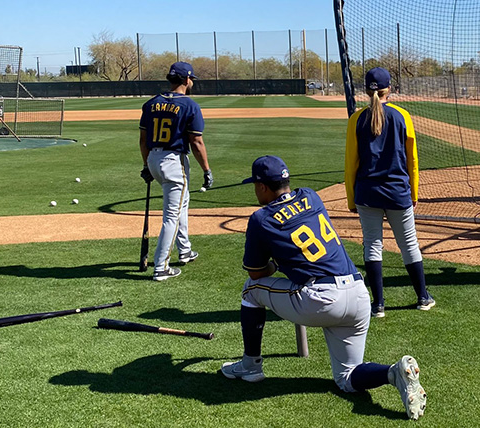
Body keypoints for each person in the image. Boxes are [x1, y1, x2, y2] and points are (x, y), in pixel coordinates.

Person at [221, 155, 427, 420]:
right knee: (347, 378)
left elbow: (256, 271)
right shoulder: (311, 195)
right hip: (358, 295)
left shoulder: (261, 219)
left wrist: (275, 264)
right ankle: (393, 372)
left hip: (321, 299)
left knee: (251, 289)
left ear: (262, 187)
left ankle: (250, 366)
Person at [344, 67, 434, 318]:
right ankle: (423, 297)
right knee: (409, 245)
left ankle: (379, 305)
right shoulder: (402, 115)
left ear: (366, 90)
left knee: (373, 245)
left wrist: (352, 198)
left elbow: (351, 162)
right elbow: (412, 160)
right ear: (389, 89)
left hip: (367, 192)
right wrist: (413, 193)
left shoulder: (356, 118)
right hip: (397, 191)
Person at [138, 61, 213, 281]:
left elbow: (143, 140)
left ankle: (185, 250)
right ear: (186, 80)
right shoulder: (190, 105)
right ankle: (161, 267)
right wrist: (206, 170)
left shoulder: (150, 104)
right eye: (191, 79)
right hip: (174, 162)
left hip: (154, 158)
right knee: (171, 215)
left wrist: (146, 166)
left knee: (181, 203)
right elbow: (196, 141)